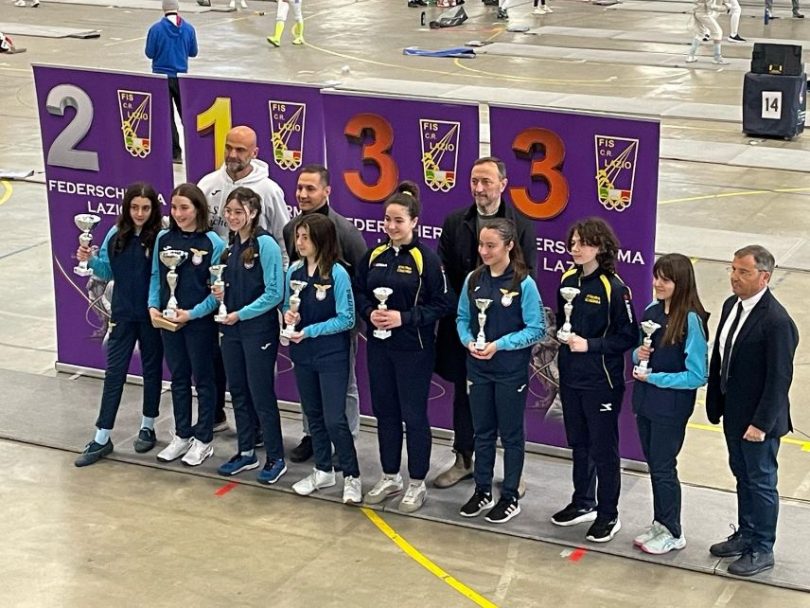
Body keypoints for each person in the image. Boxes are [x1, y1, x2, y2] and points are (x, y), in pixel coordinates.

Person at [435, 156, 536, 490]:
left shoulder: (522, 226)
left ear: (503, 184)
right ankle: (464, 460)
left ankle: (512, 474)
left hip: (505, 335)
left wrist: (499, 328)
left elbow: (527, 280)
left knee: (507, 409)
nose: (479, 188)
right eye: (474, 181)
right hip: (466, 332)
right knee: (464, 399)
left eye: (486, 182)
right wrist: (466, 324)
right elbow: (446, 275)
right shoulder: (455, 222)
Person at [355, 181, 454, 513]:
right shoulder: (375, 255)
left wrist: (405, 318)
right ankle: (390, 475)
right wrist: (370, 313)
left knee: (413, 415)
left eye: (399, 220)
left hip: (415, 349)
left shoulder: (426, 259)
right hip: (379, 348)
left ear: (414, 222)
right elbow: (358, 292)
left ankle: (417, 481)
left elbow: (443, 304)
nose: (392, 226)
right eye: (387, 219)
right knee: (384, 412)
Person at [706, 245, 799, 577]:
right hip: (733, 414)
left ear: (764, 277)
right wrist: (716, 403)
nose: (735, 277)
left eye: (743, 272)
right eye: (733, 269)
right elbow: (722, 357)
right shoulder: (731, 305)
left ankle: (762, 547)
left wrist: (760, 424)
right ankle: (746, 533)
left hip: (758, 422)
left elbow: (779, 379)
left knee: (761, 482)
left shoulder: (777, 321)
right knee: (742, 476)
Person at [198, 124, 291, 432]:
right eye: (229, 147)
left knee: (256, 371)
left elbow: (284, 241)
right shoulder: (208, 184)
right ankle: (216, 416)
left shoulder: (269, 190)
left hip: (255, 294)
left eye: (240, 150)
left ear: (255, 153)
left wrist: (279, 289)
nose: (233, 155)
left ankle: (260, 429)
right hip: (216, 290)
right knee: (214, 358)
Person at [551, 217, 636, 543]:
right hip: (571, 377)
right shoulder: (567, 279)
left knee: (603, 449)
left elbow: (628, 335)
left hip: (601, 381)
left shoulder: (614, 288)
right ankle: (583, 501)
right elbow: (563, 320)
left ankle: (608, 513)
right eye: (572, 242)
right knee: (579, 443)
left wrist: (591, 345)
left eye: (583, 243)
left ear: (600, 247)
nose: (575, 248)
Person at [456, 219, 544, 524]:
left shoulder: (524, 283)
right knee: (482, 432)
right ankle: (482, 490)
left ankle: (509, 496)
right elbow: (462, 318)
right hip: (478, 369)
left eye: (491, 246)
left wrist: (500, 345)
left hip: (509, 372)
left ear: (509, 246)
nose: (484, 251)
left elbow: (536, 328)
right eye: (481, 245)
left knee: (511, 435)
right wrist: (468, 341)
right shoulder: (473, 279)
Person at [74, 183, 165, 467]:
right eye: (134, 207)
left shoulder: (161, 236)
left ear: (153, 209)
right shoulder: (115, 234)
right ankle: (102, 436)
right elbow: (107, 271)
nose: (139, 213)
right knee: (114, 374)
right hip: (122, 315)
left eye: (145, 208)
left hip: (151, 316)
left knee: (152, 370)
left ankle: (148, 426)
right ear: (126, 207)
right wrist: (90, 260)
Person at [282, 164, 367, 463]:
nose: (303, 194)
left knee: (346, 385)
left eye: (311, 188)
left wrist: (352, 324)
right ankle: (312, 435)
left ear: (327, 191)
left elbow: (362, 278)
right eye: (299, 188)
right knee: (308, 384)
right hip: (305, 324)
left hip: (339, 327)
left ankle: (347, 441)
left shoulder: (346, 232)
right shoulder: (291, 228)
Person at [630, 254, 709, 554]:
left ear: (681, 282)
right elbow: (639, 352)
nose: (657, 284)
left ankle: (674, 531)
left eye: (665, 279)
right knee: (654, 465)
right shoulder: (652, 311)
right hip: (645, 403)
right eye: (656, 277)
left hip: (670, 407)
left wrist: (656, 378)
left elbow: (696, 375)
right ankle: (660, 522)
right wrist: (638, 355)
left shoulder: (691, 319)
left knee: (664, 467)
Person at [285, 214, 362, 504]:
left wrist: (309, 331)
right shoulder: (294, 271)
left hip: (331, 354)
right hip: (302, 353)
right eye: (298, 237)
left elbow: (347, 318)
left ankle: (352, 476)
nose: (300, 242)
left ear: (322, 239)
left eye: (306, 237)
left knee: (334, 418)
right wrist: (290, 318)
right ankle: (322, 470)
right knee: (313, 414)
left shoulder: (338, 274)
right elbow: (288, 305)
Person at [213, 187, 288, 485]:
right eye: (229, 211)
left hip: (258, 331)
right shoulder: (230, 246)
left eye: (238, 212)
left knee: (261, 393)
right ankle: (246, 451)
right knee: (238, 391)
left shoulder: (265, 244)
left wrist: (240, 314)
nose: (232, 217)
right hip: (231, 330)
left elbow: (275, 293)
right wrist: (220, 293)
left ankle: (275, 457)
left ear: (253, 212)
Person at [148, 183, 225, 467]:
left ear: (198, 209)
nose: (178, 214)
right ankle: (181, 434)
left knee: (203, 380)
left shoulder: (213, 243)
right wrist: (153, 305)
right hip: (169, 321)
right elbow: (156, 276)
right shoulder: (163, 238)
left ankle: (203, 439)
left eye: (184, 208)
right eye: (174, 207)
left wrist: (191, 314)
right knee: (178, 378)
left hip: (198, 324)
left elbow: (217, 293)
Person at [145, 0, 198, 164]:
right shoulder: (189, 29)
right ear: (177, 8)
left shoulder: (155, 29)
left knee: (168, 117)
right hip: (181, 78)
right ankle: (196, 150)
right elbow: (193, 52)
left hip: (161, 78)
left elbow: (149, 53)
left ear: (163, 9)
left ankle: (175, 153)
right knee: (186, 116)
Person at [686, 0, 727, 64]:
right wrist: (725, 7)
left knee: (700, 34)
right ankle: (717, 58)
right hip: (704, 14)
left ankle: (690, 56)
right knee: (718, 32)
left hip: (698, 12)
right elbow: (710, 6)